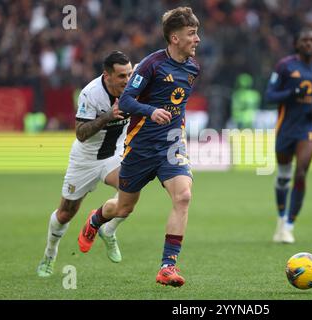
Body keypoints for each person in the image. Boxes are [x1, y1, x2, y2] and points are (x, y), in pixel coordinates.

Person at [77, 7, 200, 288]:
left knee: (183, 197)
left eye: (197, 33)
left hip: (170, 144)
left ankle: (167, 267)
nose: (197, 40)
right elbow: (127, 102)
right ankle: (95, 219)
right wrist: (151, 111)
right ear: (174, 38)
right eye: (192, 34)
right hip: (141, 147)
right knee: (123, 208)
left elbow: (177, 103)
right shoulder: (150, 65)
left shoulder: (193, 68)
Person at [36, 51, 133, 277]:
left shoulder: (134, 87)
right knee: (65, 213)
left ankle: (106, 229)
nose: (126, 81)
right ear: (107, 76)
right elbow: (80, 133)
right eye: (121, 76)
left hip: (114, 156)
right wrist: (108, 116)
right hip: (85, 160)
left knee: (130, 192)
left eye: (128, 74)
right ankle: (50, 255)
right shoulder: (90, 94)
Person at [265, 29, 312, 244]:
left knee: (301, 172)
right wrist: (292, 94)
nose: (309, 43)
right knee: (284, 175)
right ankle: (281, 218)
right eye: (304, 40)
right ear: (297, 44)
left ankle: (289, 225)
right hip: (286, 127)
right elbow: (269, 96)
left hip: (309, 126)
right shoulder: (284, 66)